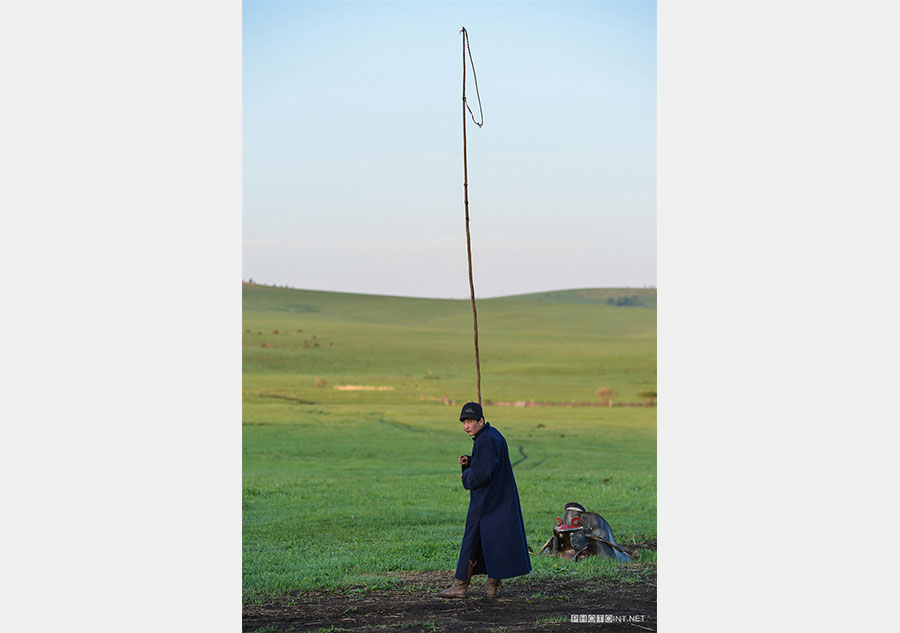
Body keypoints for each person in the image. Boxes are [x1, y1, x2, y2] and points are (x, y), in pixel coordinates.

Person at [438, 402, 531, 599]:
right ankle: (491, 585)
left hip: (485, 502)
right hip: (499, 500)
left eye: (470, 421)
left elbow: (482, 474)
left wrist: (467, 475)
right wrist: (471, 461)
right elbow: (490, 463)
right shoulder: (493, 435)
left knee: (471, 540)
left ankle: (460, 585)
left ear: (481, 420)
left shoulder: (484, 440)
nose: (466, 426)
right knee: (492, 542)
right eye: (463, 422)